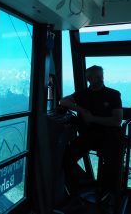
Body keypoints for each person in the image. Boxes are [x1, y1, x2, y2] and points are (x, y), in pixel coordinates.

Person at [59, 65, 123, 213]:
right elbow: (63, 101)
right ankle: (75, 196)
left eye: (101, 75)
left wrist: (92, 118)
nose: (100, 78)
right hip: (89, 136)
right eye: (96, 76)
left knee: (111, 162)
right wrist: (82, 110)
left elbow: (117, 121)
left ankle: (107, 196)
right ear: (88, 79)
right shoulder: (83, 94)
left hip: (109, 135)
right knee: (67, 158)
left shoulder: (113, 94)